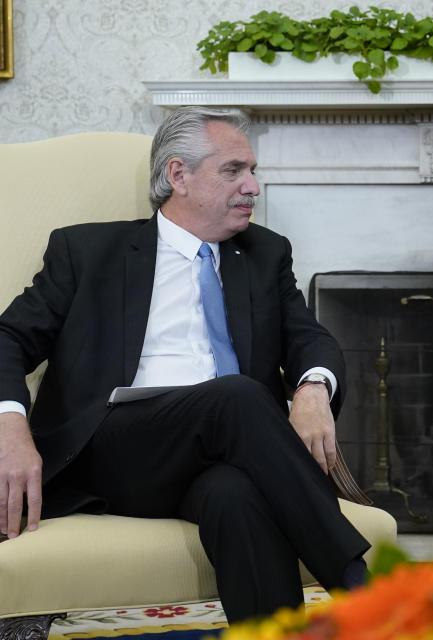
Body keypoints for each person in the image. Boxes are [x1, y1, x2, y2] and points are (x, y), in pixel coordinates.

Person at [0, 107, 370, 622]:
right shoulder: (88, 251)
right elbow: (7, 337)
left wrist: (311, 390)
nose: (252, 187)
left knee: (236, 497)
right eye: (233, 170)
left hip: (219, 455)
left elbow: (310, 339)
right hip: (113, 448)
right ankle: (365, 591)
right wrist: (10, 423)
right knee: (239, 395)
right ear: (178, 175)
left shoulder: (265, 254)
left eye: (253, 171)